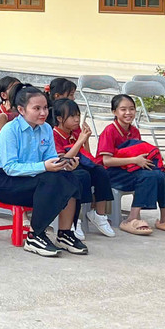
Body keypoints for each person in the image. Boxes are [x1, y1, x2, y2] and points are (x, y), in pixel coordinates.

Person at [0, 85, 87, 258]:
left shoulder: (46, 129)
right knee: (50, 181)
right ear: (21, 110)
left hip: (35, 177)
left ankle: (65, 233)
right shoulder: (10, 131)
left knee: (70, 177)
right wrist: (44, 167)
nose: (43, 113)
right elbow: (10, 167)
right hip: (7, 182)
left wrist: (65, 164)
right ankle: (35, 235)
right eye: (36, 108)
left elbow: (51, 159)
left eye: (45, 108)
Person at [98, 93, 165, 236]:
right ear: (114, 112)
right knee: (145, 176)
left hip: (130, 170)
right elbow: (106, 161)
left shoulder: (133, 131)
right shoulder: (110, 131)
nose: (128, 113)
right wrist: (134, 160)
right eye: (123, 109)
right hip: (112, 173)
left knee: (159, 173)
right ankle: (132, 218)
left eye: (131, 109)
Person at [49, 97, 115, 239]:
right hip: (63, 169)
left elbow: (87, 155)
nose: (77, 119)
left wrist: (85, 140)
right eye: (72, 116)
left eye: (78, 115)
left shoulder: (76, 131)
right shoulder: (53, 134)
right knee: (82, 176)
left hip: (80, 163)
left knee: (100, 171)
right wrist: (79, 141)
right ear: (60, 119)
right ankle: (74, 219)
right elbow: (63, 160)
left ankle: (99, 214)